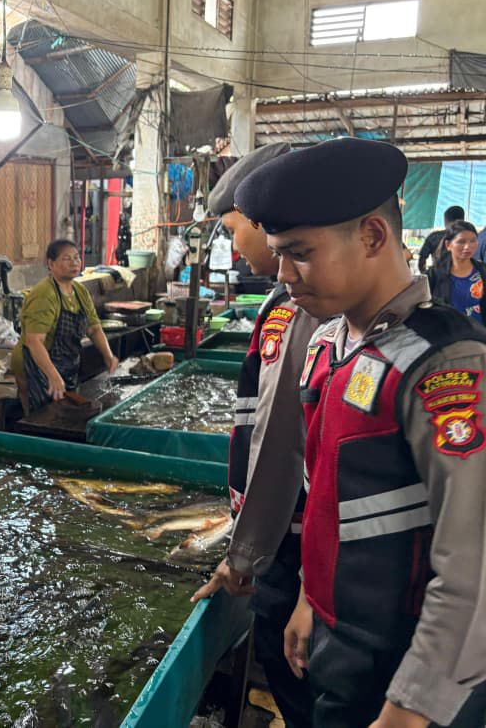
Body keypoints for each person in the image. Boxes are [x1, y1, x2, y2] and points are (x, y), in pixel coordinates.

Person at [235, 138, 486, 728]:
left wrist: (411, 706)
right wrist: (308, 599)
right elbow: (322, 495)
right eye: (278, 253)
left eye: (300, 253)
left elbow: (473, 558)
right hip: (341, 643)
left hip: (409, 667)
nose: (284, 274)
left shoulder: (444, 364)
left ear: (373, 236)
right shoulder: (329, 346)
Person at [192, 142, 318, 728]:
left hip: (292, 541)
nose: (237, 244)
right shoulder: (286, 300)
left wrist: (244, 555)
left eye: (234, 227)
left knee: (289, 665)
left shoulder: (298, 309)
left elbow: (278, 439)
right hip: (293, 539)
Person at [10, 239, 118, 413]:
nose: (74, 263)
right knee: (40, 416)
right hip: (34, 363)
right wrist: (52, 375)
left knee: (64, 412)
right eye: (67, 259)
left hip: (63, 363)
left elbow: (94, 328)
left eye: (76, 258)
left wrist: (108, 356)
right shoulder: (44, 294)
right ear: (51, 264)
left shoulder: (80, 291)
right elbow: (34, 341)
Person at [428, 221, 486, 323]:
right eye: (461, 242)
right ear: (448, 245)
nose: (468, 246)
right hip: (450, 335)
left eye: (473, 241)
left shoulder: (482, 270)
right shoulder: (434, 275)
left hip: (479, 334)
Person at [417, 205, 465, 275]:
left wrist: (427, 275)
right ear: (463, 219)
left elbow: (421, 260)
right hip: (464, 276)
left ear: (445, 220)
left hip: (439, 278)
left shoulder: (434, 237)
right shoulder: (471, 238)